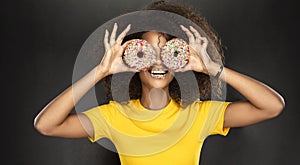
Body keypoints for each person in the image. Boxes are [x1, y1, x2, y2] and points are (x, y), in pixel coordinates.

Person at [34, 1, 285, 164]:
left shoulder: (197, 113)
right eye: (147, 52)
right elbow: (46, 125)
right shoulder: (114, 116)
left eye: (169, 53)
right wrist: (99, 71)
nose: (158, 63)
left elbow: (272, 106)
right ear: (133, 62)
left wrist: (213, 68)